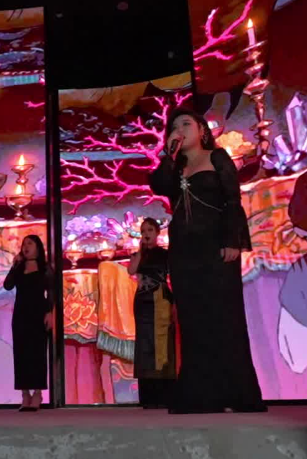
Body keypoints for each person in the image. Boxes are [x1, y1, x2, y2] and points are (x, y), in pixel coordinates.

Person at [149, 107, 266, 414]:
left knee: (223, 316)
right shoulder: (175, 166)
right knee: (193, 320)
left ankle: (235, 392)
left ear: (202, 130)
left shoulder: (218, 157)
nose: (180, 129)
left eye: (186, 124)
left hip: (215, 246)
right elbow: (158, 186)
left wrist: (232, 240)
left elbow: (232, 200)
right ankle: (201, 394)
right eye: (174, 126)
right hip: (184, 251)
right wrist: (167, 155)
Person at [127, 218, 176, 409]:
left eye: (150, 230)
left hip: (160, 299)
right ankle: (148, 395)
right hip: (142, 302)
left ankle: (164, 394)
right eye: (143, 231)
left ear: (157, 233)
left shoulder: (165, 254)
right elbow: (131, 270)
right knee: (145, 344)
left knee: (161, 343)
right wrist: (140, 251)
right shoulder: (138, 255)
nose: (146, 233)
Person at [3, 235, 53, 412]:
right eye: (24, 244)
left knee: (38, 354)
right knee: (21, 354)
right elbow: (7, 285)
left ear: (38, 247)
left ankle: (38, 393)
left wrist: (50, 312)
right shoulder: (19, 267)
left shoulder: (45, 268)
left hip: (38, 314)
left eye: (30, 244)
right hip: (21, 314)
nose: (26, 247)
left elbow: (51, 291)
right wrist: (14, 265)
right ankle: (25, 394)